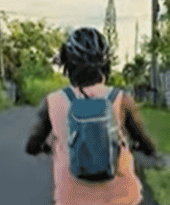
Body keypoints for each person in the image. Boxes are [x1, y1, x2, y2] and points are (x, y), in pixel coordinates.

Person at [25, 27, 161, 205]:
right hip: (122, 198)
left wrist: (44, 148)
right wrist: (147, 148)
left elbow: (32, 145)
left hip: (71, 199)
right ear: (105, 65)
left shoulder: (53, 102)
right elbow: (145, 141)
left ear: (68, 64)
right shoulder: (121, 100)